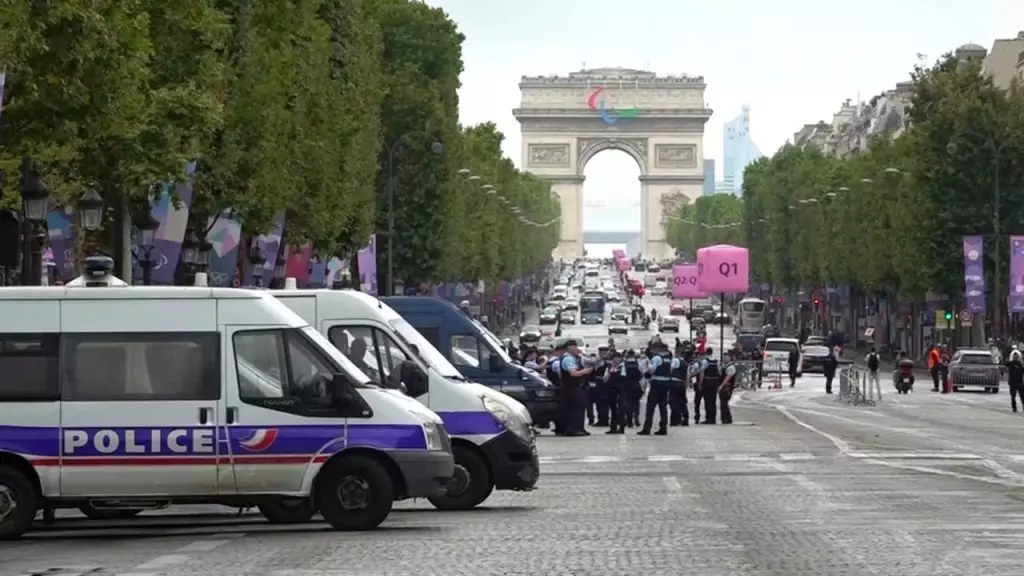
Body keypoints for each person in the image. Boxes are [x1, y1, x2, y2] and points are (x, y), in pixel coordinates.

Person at [639, 343, 675, 435]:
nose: (652, 351)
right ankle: (663, 428)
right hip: (665, 385)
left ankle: (647, 429)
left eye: (653, 349)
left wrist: (647, 372)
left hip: (656, 385)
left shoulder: (657, 358)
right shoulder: (669, 359)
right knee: (663, 407)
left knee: (650, 407)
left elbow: (652, 369)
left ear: (658, 349)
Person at [559, 340, 593, 436]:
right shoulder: (568, 359)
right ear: (569, 348)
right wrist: (585, 371)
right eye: (575, 348)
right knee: (575, 409)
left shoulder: (574, 358)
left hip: (575, 387)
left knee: (580, 408)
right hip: (571, 388)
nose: (577, 350)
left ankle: (579, 428)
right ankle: (573, 429)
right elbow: (573, 373)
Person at [604, 352, 628, 434]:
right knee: (613, 408)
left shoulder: (624, 367)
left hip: (621, 390)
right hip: (611, 390)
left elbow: (624, 377)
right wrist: (610, 372)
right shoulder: (608, 368)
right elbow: (605, 379)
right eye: (614, 358)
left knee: (621, 409)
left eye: (618, 358)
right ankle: (613, 427)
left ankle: (621, 427)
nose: (616, 360)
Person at [621, 349, 644, 427]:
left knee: (627, 403)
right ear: (634, 355)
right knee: (636, 403)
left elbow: (622, 375)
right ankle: (636, 419)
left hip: (627, 385)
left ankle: (629, 421)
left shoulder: (624, 364)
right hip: (636, 385)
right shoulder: (638, 363)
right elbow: (642, 373)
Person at [700, 347, 721, 424]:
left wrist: (700, 383)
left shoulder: (705, 361)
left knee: (707, 401)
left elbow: (702, 373)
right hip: (714, 382)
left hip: (707, 382)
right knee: (713, 401)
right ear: (712, 353)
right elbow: (719, 372)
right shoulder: (716, 361)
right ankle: (713, 419)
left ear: (706, 353)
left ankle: (708, 419)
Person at [718, 360, 739, 424]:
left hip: (727, 387)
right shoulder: (725, 366)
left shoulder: (731, 367)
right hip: (725, 387)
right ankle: (726, 418)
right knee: (723, 403)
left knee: (724, 403)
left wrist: (721, 385)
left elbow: (728, 377)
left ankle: (726, 419)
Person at [1007, 345, 1024, 412]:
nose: (1015, 357)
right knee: (1013, 396)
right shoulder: (1011, 363)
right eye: (1014, 356)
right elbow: (1006, 364)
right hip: (1012, 382)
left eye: (1016, 356)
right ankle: (1014, 407)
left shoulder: (1020, 364)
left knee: (1022, 396)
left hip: (1020, 382)